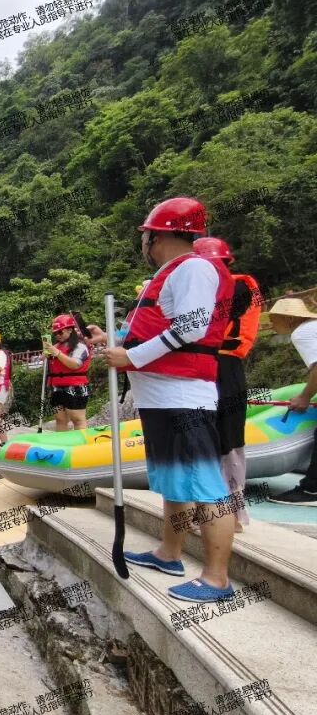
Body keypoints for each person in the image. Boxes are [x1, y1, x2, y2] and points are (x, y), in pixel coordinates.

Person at [87, 196, 236, 603]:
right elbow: (156, 329)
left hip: (182, 396)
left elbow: (192, 326)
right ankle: (169, 554)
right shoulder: (171, 273)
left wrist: (131, 357)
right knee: (174, 481)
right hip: (160, 397)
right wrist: (113, 340)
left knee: (204, 484)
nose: (143, 243)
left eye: (145, 236)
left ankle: (217, 579)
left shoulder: (193, 268)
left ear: (157, 236)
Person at [193, 236, 263, 529]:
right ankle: (208, 508)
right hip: (205, 367)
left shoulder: (238, 288)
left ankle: (231, 513)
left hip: (224, 367)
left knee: (228, 440)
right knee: (205, 438)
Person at [266, 298, 317, 505]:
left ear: (288, 318)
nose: (271, 323)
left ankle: (311, 490)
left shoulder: (302, 332)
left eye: (274, 319)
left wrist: (304, 397)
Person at [44, 314, 92, 432]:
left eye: (60, 332)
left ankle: (82, 442)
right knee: (60, 419)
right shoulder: (55, 347)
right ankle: (62, 441)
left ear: (70, 330)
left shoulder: (80, 347)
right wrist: (46, 355)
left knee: (77, 419)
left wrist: (57, 353)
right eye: (55, 333)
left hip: (76, 386)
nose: (57, 335)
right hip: (56, 387)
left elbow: (75, 365)